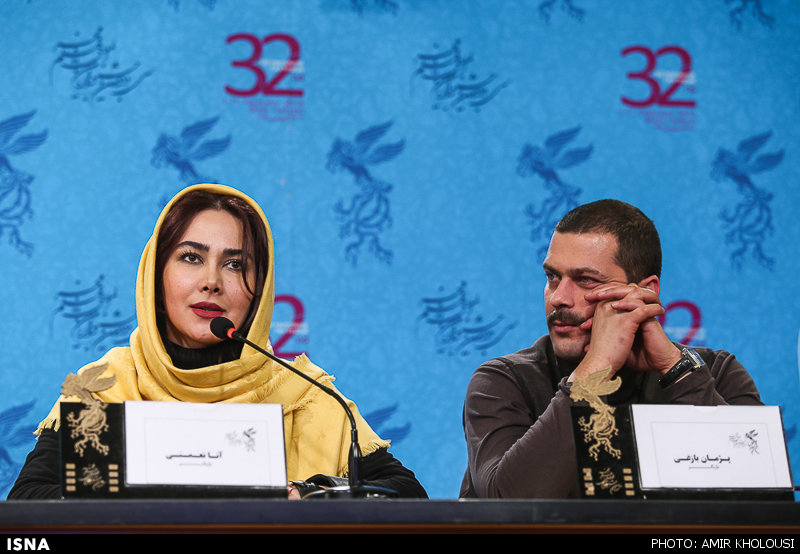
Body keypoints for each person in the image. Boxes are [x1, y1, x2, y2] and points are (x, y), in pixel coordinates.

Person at [8, 183, 426, 500]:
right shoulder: (107, 386)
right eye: (191, 257)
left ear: (260, 290)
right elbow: (29, 502)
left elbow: (405, 496)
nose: (211, 281)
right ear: (156, 275)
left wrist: (311, 495)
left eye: (235, 264)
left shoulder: (304, 394)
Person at [460, 199, 762, 498]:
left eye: (586, 280)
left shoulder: (717, 373)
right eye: (552, 277)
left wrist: (677, 370)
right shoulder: (503, 382)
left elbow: (764, 502)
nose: (558, 298)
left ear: (645, 291)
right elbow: (505, 506)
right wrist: (596, 367)